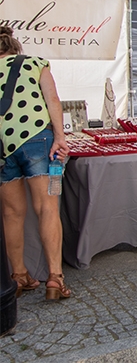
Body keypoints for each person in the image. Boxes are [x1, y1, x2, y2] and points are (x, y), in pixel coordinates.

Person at [0, 26, 72, 299]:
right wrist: (60, 137)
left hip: (3, 146)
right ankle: (55, 278)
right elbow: (52, 100)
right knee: (47, 208)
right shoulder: (34, 64)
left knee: (11, 214)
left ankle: (18, 276)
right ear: (15, 48)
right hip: (37, 140)